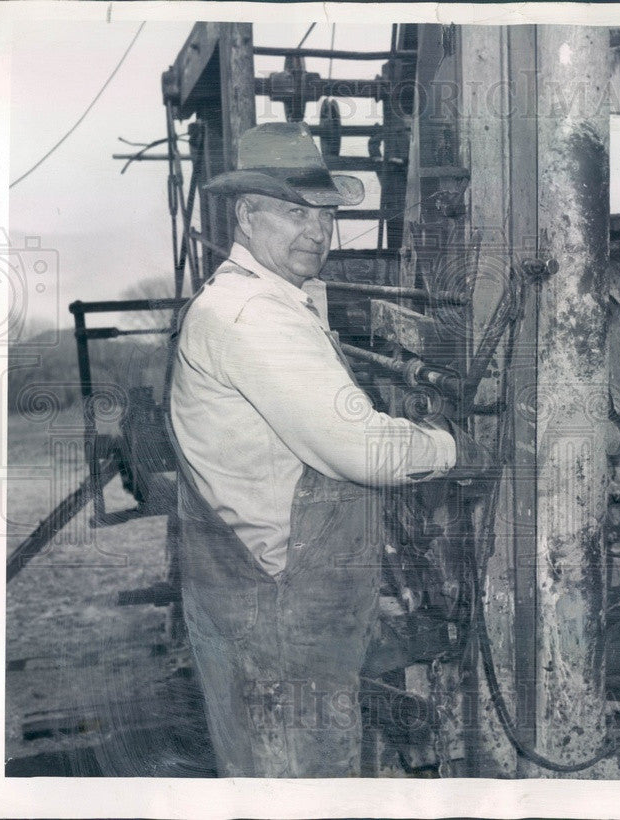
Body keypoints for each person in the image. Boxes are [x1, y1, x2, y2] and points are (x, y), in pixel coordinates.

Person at [168, 121, 489, 777]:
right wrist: (458, 450)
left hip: (273, 609)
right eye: (294, 212)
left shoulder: (277, 300)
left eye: (325, 214)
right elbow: (360, 448)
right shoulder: (249, 314)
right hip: (274, 623)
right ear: (246, 214)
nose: (317, 231)